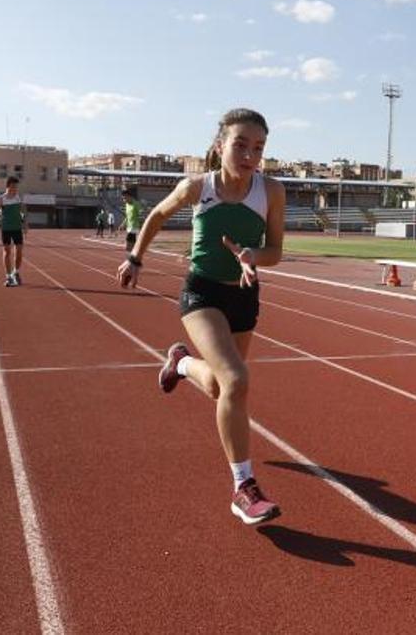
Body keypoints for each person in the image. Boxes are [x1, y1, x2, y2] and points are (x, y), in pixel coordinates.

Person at [117, 108, 285, 525]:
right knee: (237, 381)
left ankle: (181, 362)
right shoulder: (197, 187)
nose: (249, 155)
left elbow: (276, 251)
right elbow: (156, 216)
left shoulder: (272, 192)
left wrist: (253, 256)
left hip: (244, 296)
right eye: (241, 144)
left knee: (216, 384)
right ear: (220, 146)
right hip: (202, 293)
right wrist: (135, 258)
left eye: (258, 148)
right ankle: (243, 488)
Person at [0, 176, 27, 286]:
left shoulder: (18, 198)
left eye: (16, 187)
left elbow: (23, 211)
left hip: (17, 228)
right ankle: (8, 277)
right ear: (8, 186)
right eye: (13, 186)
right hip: (6, 228)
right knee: (7, 252)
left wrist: (25, 224)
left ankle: (15, 272)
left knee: (19, 251)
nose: (15, 188)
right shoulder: (1, 199)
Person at [117, 186, 145, 254]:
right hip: (129, 227)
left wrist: (142, 225)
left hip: (134, 227)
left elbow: (141, 214)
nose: (124, 199)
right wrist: (122, 224)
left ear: (129, 196)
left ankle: (130, 258)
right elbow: (127, 216)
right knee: (132, 244)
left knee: (128, 244)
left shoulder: (136, 204)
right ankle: (133, 257)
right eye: (123, 198)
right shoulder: (127, 205)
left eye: (124, 198)